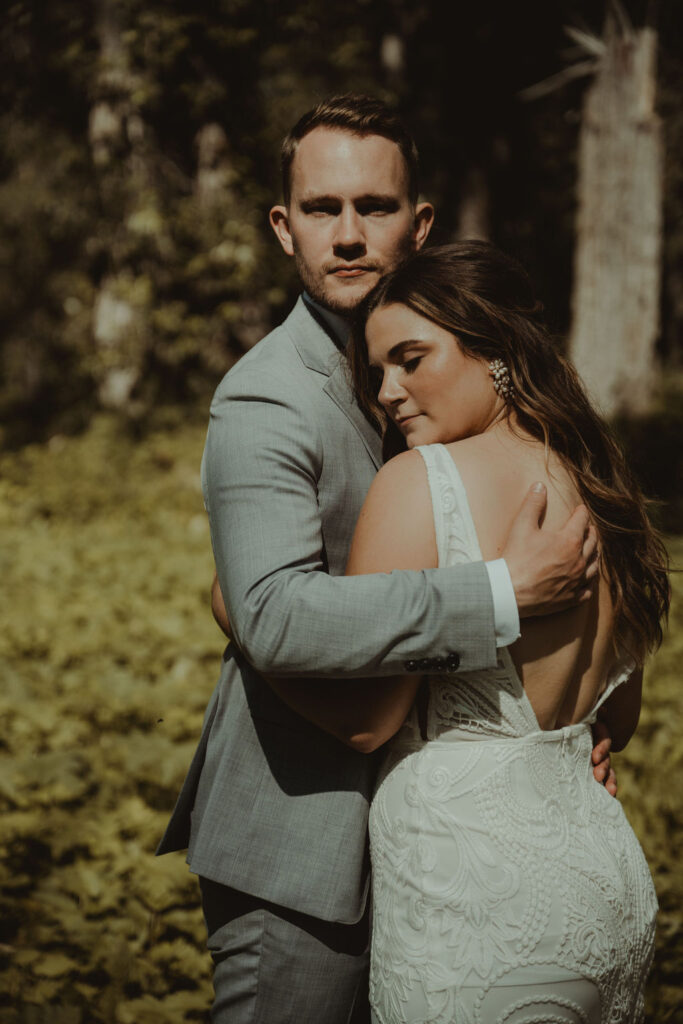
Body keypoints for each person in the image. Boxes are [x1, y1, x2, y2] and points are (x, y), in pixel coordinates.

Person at [157, 96, 609, 1024]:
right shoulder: (266, 400)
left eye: (377, 207)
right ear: (285, 228)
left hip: (463, 856)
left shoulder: (453, 382)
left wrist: (563, 746)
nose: (350, 235)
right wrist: (498, 594)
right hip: (305, 848)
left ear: (421, 222)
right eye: (322, 210)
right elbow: (277, 616)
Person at [267, 241, 670, 1023]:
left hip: (473, 906)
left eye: (410, 359)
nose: (388, 391)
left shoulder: (421, 483)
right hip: (603, 890)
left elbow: (366, 719)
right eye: (377, 372)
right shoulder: (601, 488)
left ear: (494, 350)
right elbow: (614, 722)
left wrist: (256, 626)